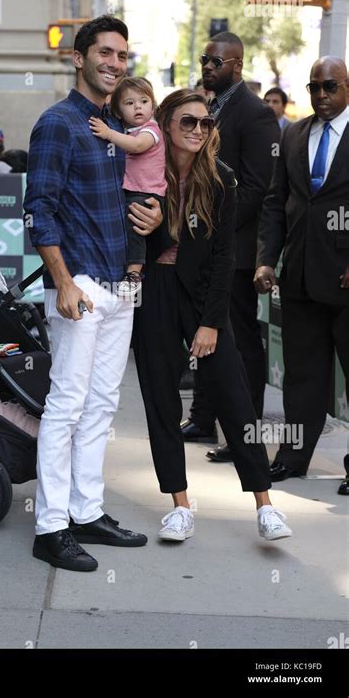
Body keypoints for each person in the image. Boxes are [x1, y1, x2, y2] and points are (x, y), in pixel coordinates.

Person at [23, 16, 163, 572]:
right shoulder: (58, 123)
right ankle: (50, 526)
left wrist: (151, 223)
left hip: (119, 287)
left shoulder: (115, 126)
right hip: (79, 284)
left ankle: (87, 511)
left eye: (123, 56)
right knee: (66, 406)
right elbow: (40, 208)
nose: (115, 63)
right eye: (105, 52)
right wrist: (61, 281)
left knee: (102, 405)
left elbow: (139, 191)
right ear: (78, 58)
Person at [133, 89, 292, 542]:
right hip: (155, 293)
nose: (199, 130)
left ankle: (265, 504)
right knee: (160, 399)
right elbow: (137, 242)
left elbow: (224, 258)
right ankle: (180, 505)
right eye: (188, 122)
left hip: (203, 293)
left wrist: (210, 321)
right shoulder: (142, 172)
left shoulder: (221, 178)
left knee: (234, 396)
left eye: (206, 123)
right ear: (165, 125)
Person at [181, 32, 280, 463]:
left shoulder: (256, 114)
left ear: (236, 65)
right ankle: (203, 418)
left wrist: (216, 225)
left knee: (240, 343)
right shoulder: (209, 107)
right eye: (205, 59)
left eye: (215, 62)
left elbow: (259, 187)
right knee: (205, 333)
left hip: (236, 249)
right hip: (205, 245)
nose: (207, 67)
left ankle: (245, 432)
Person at [255, 56, 349, 486]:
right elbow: (277, 203)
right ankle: (293, 458)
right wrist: (265, 259)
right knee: (301, 377)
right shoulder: (293, 133)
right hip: (299, 279)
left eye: (330, 87)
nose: (322, 96)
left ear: (346, 87)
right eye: (315, 88)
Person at [89, 76, 166, 296]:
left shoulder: (151, 130)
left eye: (143, 101)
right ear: (119, 111)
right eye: (129, 103)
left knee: (134, 227)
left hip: (148, 192)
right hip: (132, 190)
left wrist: (108, 133)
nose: (138, 107)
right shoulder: (127, 130)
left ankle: (134, 273)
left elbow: (137, 145)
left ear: (153, 105)